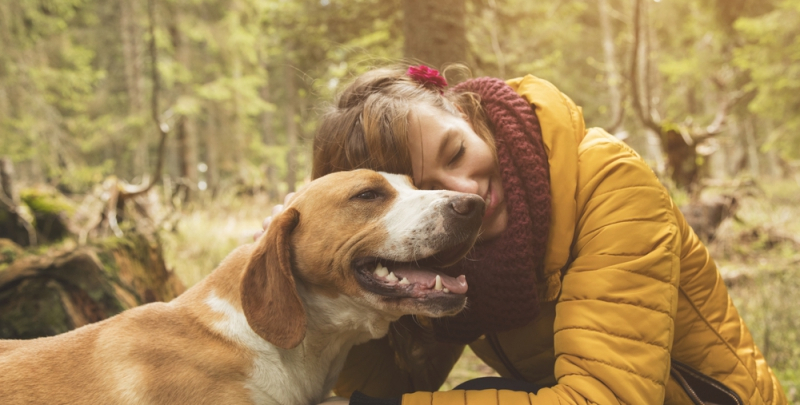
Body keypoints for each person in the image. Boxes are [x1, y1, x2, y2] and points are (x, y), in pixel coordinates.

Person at [265, 64, 787, 405]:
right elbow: (385, 385)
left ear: (464, 113)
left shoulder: (608, 178)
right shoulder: (439, 246)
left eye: (456, 152)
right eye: (428, 191)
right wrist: (312, 272)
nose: (465, 191)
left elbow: (609, 398)